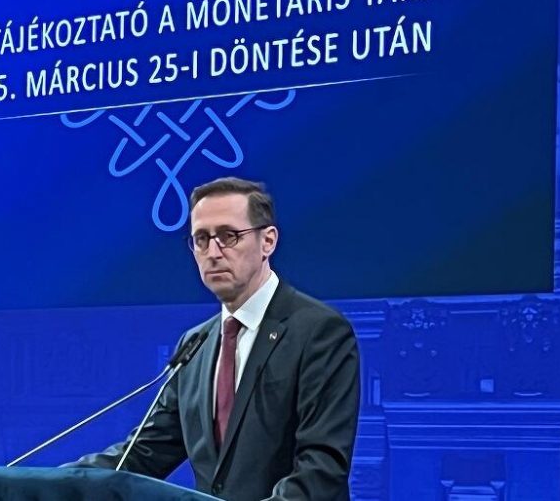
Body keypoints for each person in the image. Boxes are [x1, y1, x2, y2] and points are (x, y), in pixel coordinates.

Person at [66, 176, 360, 500]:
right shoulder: (195, 345)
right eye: (201, 239)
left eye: (228, 236)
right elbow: (142, 455)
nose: (213, 252)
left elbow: (321, 472)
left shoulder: (319, 332)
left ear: (268, 241)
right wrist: (49, 485)